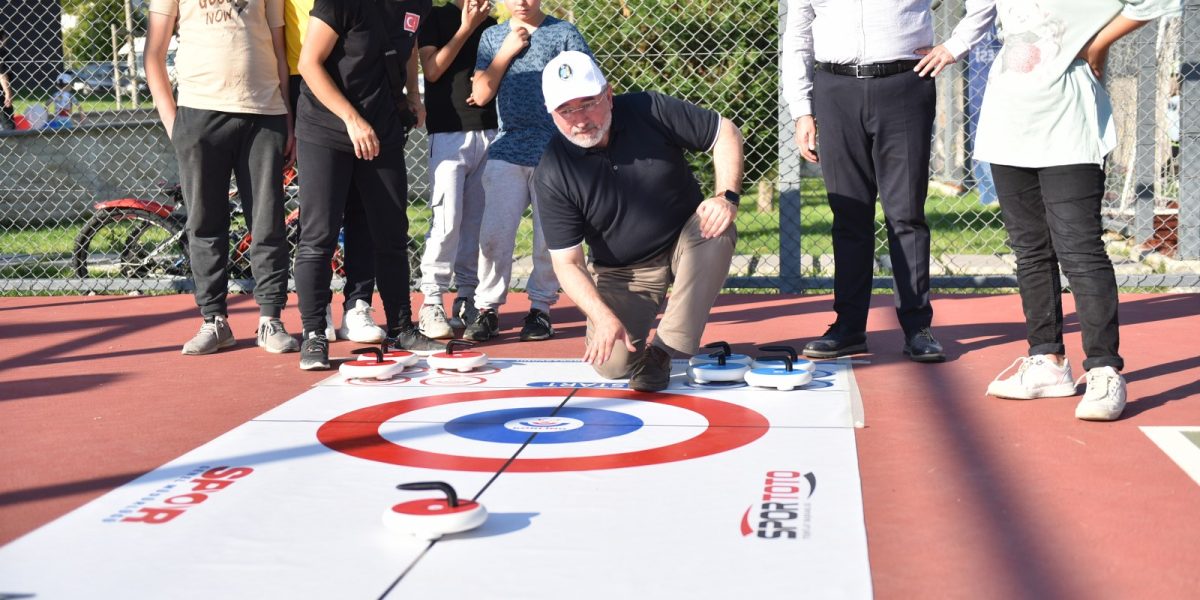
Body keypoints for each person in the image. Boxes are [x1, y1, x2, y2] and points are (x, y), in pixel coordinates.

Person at [977, 0, 1180, 421]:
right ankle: (1046, 361)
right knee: (1030, 250)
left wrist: (1096, 44)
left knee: (1080, 250)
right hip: (1007, 121)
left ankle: (1104, 369)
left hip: (1068, 124)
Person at [781, 0, 996, 362]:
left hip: (905, 87)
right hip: (835, 90)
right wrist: (801, 109)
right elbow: (798, 36)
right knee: (849, 216)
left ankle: (917, 328)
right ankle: (848, 328)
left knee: (906, 214)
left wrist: (954, 46)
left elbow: (985, 3)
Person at [535, 51, 743, 392]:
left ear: (609, 95)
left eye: (588, 102)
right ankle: (637, 341)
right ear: (551, 114)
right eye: (566, 110)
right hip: (622, 271)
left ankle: (662, 352)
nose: (580, 118)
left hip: (684, 241)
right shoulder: (552, 172)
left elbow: (726, 133)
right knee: (611, 365)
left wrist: (726, 196)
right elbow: (568, 264)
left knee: (717, 230)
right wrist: (602, 318)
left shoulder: (650, 109)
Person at [145, 0, 299, 356]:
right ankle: (214, 319)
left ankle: (270, 318)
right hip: (199, 115)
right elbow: (153, 53)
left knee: (267, 221)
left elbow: (278, 47)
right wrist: (175, 124)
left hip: (263, 114)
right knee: (205, 222)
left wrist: (287, 115)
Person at [294, 0, 442, 370]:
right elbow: (308, 63)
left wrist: (413, 94)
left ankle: (401, 327)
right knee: (319, 234)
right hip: (327, 128)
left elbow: (408, 49)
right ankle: (314, 333)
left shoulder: (417, 5)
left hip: (382, 131)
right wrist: (351, 119)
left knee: (391, 232)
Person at [464, 0, 593, 343]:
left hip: (556, 152)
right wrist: (506, 51)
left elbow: (586, 85)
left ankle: (541, 309)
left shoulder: (563, 33)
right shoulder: (492, 36)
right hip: (509, 148)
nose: (521, 2)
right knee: (494, 236)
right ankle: (487, 309)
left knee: (549, 239)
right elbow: (480, 93)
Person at [284, 0, 386, 344]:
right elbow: (300, 57)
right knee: (319, 225)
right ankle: (315, 317)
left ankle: (357, 305)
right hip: (308, 86)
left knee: (363, 216)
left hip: (365, 91)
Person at [414, 0, 498, 339]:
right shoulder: (435, 17)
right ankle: (432, 299)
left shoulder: (494, 26)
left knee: (477, 222)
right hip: (449, 132)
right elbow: (432, 70)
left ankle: (467, 297)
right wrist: (466, 27)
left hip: (490, 130)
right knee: (446, 219)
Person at [0, 33, 15, 131]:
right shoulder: (2, 53)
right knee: (8, 124)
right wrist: (8, 93)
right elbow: (2, 74)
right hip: (1, 96)